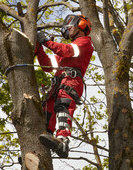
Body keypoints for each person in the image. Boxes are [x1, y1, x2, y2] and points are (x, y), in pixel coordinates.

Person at [34, 14, 94, 158]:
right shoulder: (65, 51)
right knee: (47, 114)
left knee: (63, 106)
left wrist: (46, 41)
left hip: (71, 80)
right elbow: (48, 66)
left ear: (80, 25)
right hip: (58, 83)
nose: (67, 31)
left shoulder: (84, 42)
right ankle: (40, 151)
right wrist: (39, 47)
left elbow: (66, 50)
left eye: (69, 27)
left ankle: (62, 140)